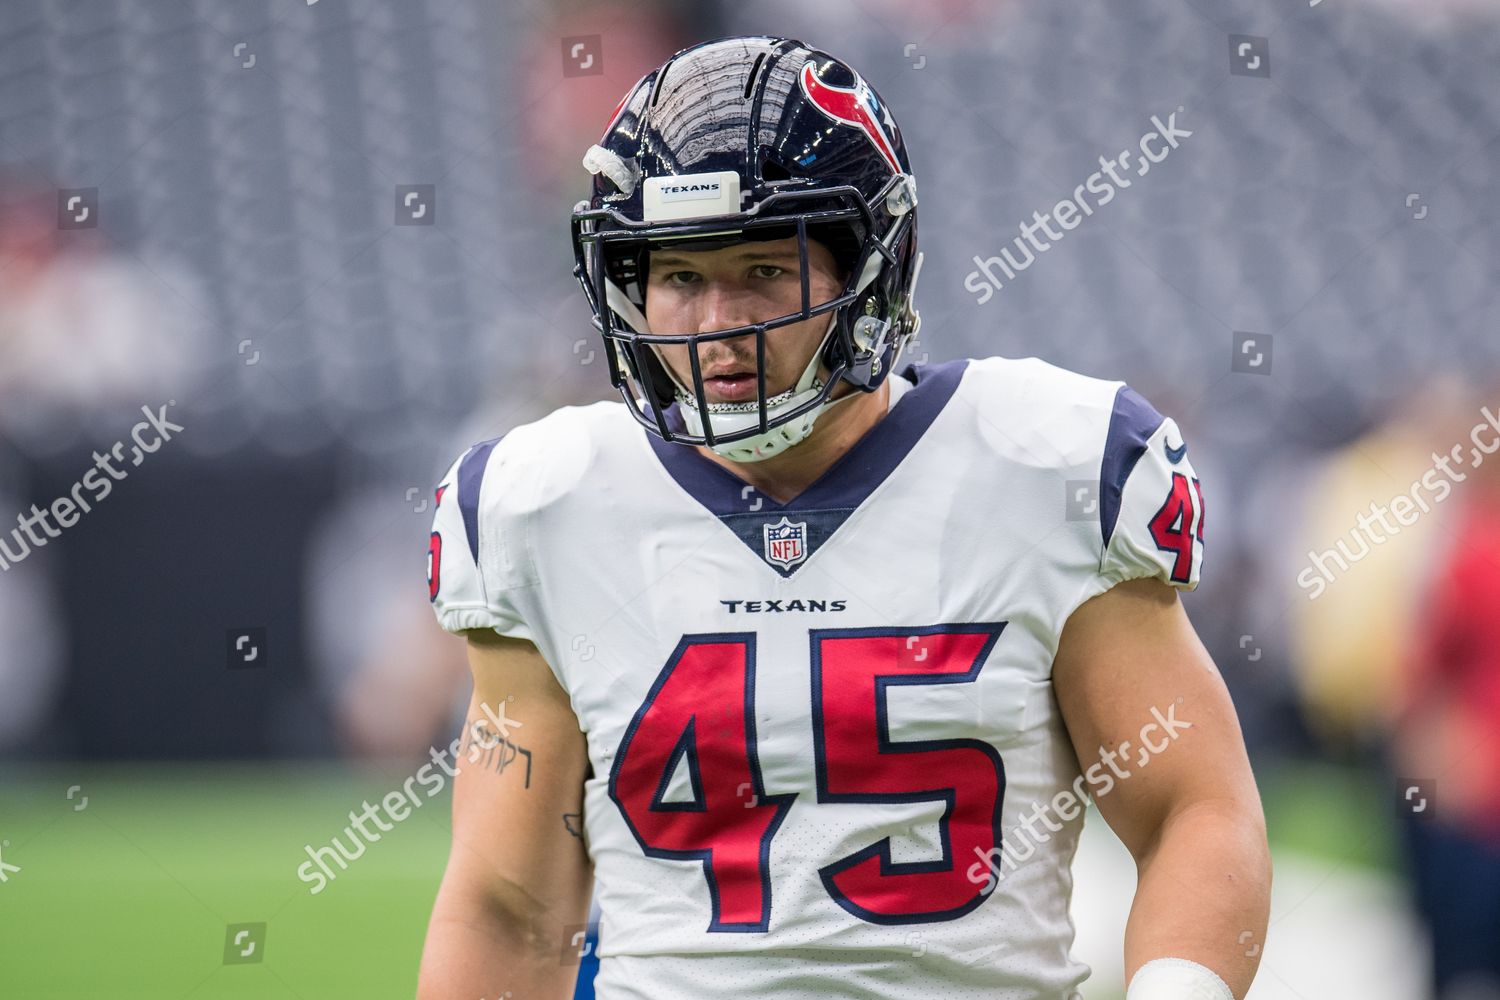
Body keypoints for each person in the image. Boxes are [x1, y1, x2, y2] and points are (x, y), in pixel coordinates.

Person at [416, 36, 1269, 1000]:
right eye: (682, 277)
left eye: (764, 272)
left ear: (872, 267)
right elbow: (508, 905)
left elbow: (1193, 809)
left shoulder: (1049, 468)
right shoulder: (549, 506)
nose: (715, 325)